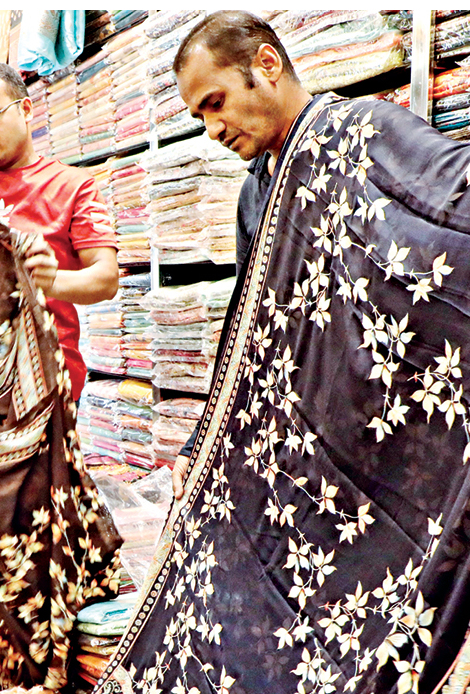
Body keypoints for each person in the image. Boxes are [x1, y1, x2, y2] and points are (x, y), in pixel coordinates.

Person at [169, 11, 322, 498]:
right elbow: (250, 327)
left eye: (216, 104)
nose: (212, 130)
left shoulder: (358, 140)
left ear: (267, 64)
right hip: (299, 438)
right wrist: (201, 440)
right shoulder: (254, 194)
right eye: (200, 118)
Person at [0, 61, 120, 401]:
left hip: (47, 378)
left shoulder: (72, 186)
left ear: (25, 109)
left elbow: (106, 279)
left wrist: (52, 281)